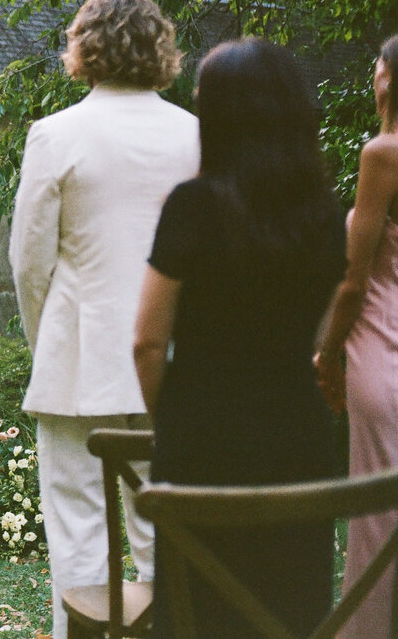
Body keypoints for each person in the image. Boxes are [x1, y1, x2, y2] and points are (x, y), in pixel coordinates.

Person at [135, 38, 345, 636]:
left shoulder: (193, 206)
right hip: (300, 441)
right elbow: (324, 333)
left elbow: (147, 343)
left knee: (200, 614)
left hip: (202, 443)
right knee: (290, 611)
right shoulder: (328, 217)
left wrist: (172, 419)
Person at [8, 0, 199, 636]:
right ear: (160, 47)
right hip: (172, 363)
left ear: (83, 47)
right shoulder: (196, 135)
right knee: (164, 530)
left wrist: (49, 343)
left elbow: (29, 262)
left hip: (76, 360)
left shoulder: (55, 134)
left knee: (78, 538)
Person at [315, 33, 398, 638]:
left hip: (381, 349)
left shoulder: (383, 154)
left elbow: (353, 276)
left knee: (378, 518)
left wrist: (326, 352)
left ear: (388, 79)